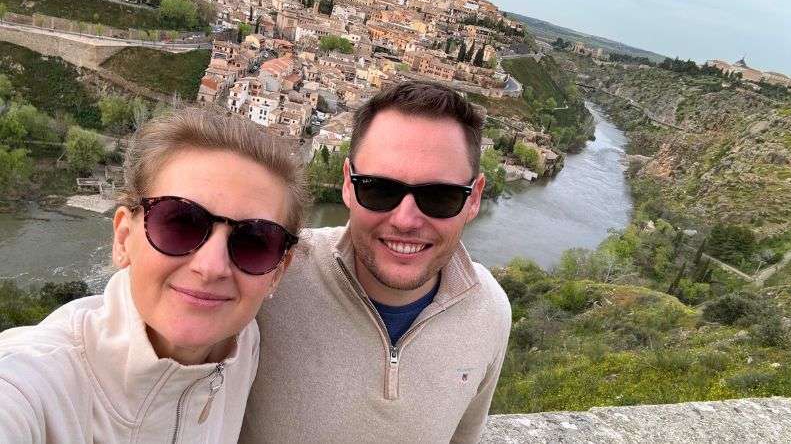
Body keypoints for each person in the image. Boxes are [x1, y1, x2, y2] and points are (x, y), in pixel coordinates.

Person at [0, 106, 306, 443]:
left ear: (278, 272)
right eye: (179, 222)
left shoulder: (242, 345)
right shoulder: (34, 383)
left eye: (255, 242)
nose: (211, 267)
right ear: (124, 238)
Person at [241, 82, 512, 443]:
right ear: (348, 186)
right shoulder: (273, 270)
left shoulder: (490, 311)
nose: (405, 220)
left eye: (440, 197)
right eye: (380, 189)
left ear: (474, 199)